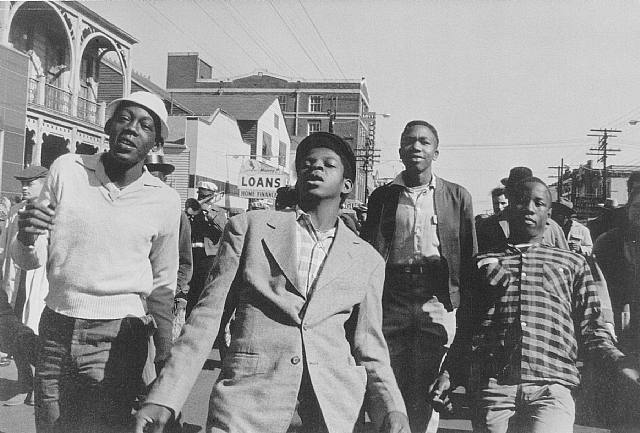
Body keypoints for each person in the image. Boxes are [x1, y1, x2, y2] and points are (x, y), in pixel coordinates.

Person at [135, 131, 410, 433]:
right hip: (248, 407)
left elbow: (370, 347)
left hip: (331, 413)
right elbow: (206, 320)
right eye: (307, 163)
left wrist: (392, 408)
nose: (315, 167)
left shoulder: (366, 259)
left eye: (328, 164)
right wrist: (165, 397)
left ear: (347, 186)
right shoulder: (249, 229)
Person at [12, 91, 180, 432]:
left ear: (156, 142)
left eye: (145, 125)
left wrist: (164, 357)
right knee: (52, 427)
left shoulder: (164, 200)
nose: (132, 129)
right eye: (124, 118)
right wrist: (27, 236)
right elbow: (30, 260)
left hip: (119, 336)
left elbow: (164, 282)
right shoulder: (67, 169)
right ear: (108, 126)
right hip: (57, 327)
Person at [430, 177, 640, 433]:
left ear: (549, 214)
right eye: (521, 201)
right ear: (509, 209)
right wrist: (450, 374)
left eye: (539, 203)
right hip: (494, 386)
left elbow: (593, 330)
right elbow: (468, 330)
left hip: (552, 386)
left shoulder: (572, 264)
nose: (529, 208)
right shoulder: (483, 263)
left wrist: (620, 363)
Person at [361, 120, 476, 433]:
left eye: (424, 142)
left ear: (435, 152)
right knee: (386, 377)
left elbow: (468, 258)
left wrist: (462, 305)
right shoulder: (382, 197)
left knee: (430, 383)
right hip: (392, 297)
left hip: (436, 299)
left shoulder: (457, 196)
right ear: (400, 150)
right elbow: (371, 249)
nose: (416, 147)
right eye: (410, 141)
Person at [0, 166, 48, 406]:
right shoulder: (15, 212)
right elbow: (4, 245)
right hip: (15, 281)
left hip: (40, 285)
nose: (25, 188)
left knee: (37, 335)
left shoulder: (53, 211)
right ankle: (23, 382)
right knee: (16, 333)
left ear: (45, 183)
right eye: (22, 184)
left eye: (31, 183)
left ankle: (39, 388)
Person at [476, 166, 569, 253]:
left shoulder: (551, 227)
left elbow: (567, 260)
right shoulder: (490, 224)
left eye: (525, 192)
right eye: (516, 192)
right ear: (508, 193)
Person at [185, 180, 227, 317]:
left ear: (212, 196)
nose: (201, 198)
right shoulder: (192, 210)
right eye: (200, 195)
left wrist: (209, 213)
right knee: (191, 291)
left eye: (204, 196)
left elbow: (224, 229)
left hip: (208, 256)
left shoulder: (218, 212)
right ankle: (187, 318)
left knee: (204, 288)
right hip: (192, 254)